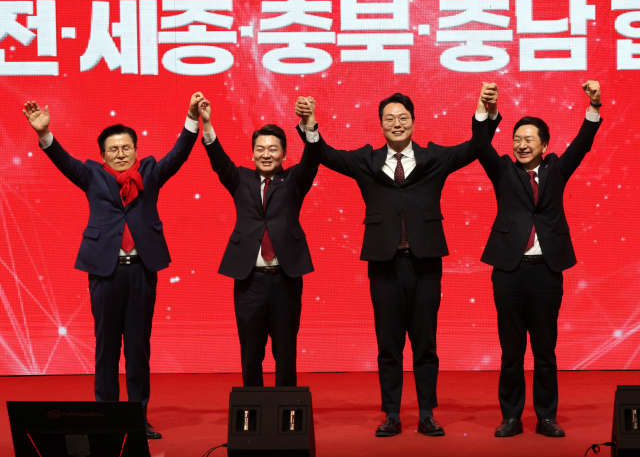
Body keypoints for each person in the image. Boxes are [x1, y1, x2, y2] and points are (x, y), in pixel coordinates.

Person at [294, 89, 500, 437]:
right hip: (384, 265)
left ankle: (426, 413)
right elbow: (323, 154)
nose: (397, 123)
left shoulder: (434, 158)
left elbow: (476, 147)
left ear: (413, 122)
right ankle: (391, 413)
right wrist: (309, 123)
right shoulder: (365, 161)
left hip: (425, 265)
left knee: (425, 343)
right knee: (388, 345)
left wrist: (483, 110)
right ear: (381, 125)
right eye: (389, 119)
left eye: (403, 117)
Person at [22, 94, 204, 439]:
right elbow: (64, 161)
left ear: (136, 149)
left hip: (141, 269)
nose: (120, 154)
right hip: (105, 271)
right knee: (107, 347)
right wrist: (44, 133)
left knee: (138, 348)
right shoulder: (91, 175)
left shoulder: (151, 172)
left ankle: (137, 418)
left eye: (126, 148)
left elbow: (179, 153)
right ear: (103, 154)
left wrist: (192, 119)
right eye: (113, 149)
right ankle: (105, 416)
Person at [474, 81, 602, 438]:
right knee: (511, 349)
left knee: (545, 350)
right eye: (517, 138)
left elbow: (583, 144)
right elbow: (480, 144)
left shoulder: (556, 169)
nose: (522, 144)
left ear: (544, 145)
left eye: (529, 139)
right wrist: (485, 109)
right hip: (508, 271)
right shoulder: (503, 169)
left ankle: (547, 417)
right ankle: (511, 417)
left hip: (547, 271)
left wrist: (593, 107)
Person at [197, 98, 320, 387]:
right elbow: (219, 161)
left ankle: (287, 409)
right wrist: (207, 124)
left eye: (273, 149)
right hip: (249, 280)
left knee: (285, 351)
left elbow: (313, 158)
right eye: (260, 149)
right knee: (250, 352)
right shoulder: (240, 178)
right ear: (252, 153)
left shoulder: (294, 179)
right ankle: (252, 408)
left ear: (284, 153)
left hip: (285, 279)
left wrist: (310, 124)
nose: (266, 155)